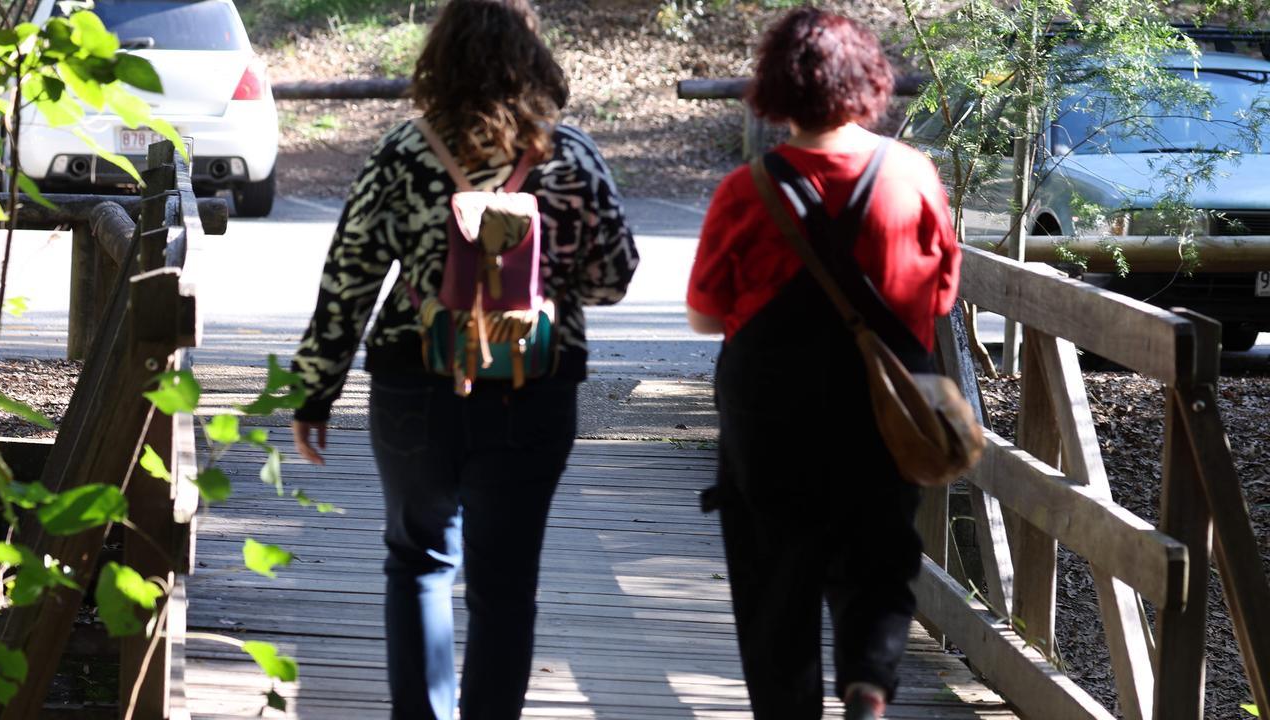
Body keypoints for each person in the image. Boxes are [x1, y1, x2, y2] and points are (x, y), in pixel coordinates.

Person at [288, 0, 638, 717]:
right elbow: (613, 279)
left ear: (439, 60)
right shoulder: (569, 156)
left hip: (413, 382)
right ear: (533, 62)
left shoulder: (404, 151)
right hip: (534, 386)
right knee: (506, 585)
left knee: (417, 563)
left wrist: (314, 391)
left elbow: (348, 278)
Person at [685, 8, 960, 720]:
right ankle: (869, 682)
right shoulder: (913, 177)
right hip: (884, 415)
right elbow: (941, 297)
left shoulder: (747, 190)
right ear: (869, 80)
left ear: (775, 87)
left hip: (770, 424)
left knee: (776, 588)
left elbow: (705, 314)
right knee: (879, 561)